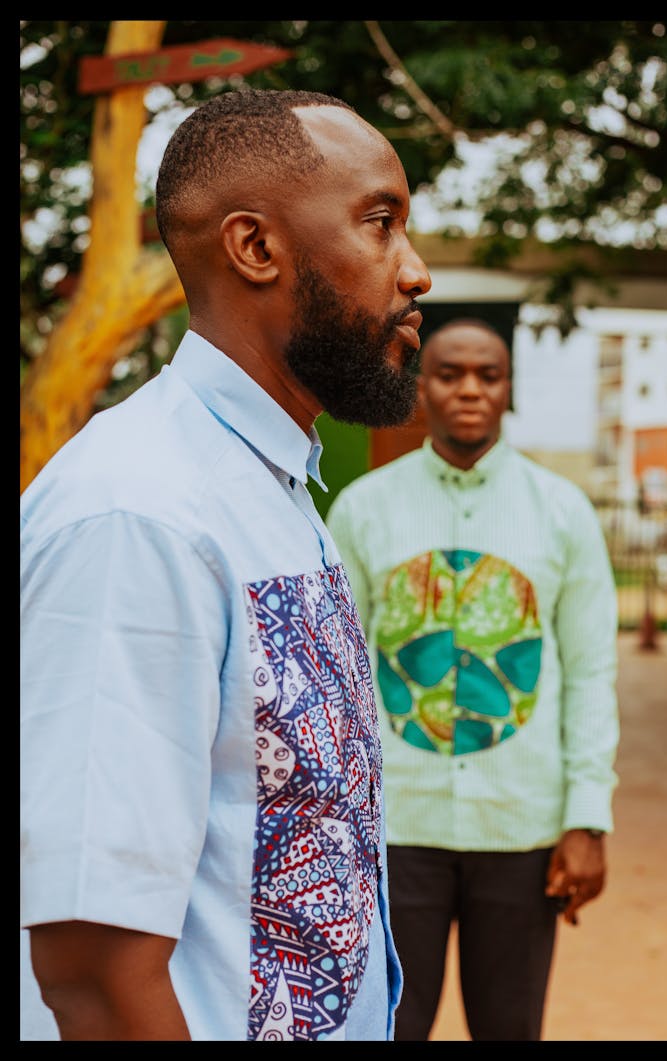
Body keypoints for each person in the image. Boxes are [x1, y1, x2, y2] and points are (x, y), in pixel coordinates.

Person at [20, 88, 432, 1042]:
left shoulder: (272, 487)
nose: (415, 271)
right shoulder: (138, 514)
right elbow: (92, 964)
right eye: (381, 223)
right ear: (256, 247)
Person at [326, 318, 620, 1042]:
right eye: (450, 373)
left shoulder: (563, 514)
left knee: (510, 1026)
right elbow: (339, 677)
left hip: (521, 826)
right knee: (386, 1026)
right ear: (420, 386)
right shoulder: (364, 507)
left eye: (487, 375)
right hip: (397, 827)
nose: (468, 389)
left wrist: (586, 818)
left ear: (507, 388)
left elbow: (589, 672)